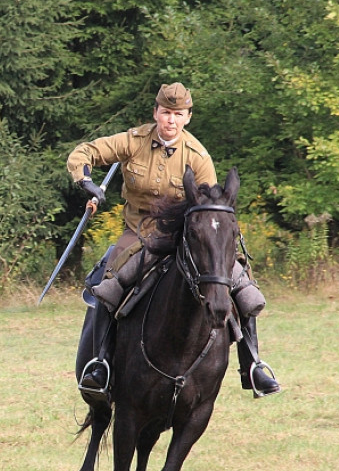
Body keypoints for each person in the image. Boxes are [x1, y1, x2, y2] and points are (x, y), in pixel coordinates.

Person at [65, 82, 281, 398]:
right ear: (156, 113)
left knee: (241, 285)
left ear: (187, 117)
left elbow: (209, 206)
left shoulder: (198, 156)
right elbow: (84, 152)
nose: (171, 120)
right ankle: (101, 363)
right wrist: (87, 182)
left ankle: (253, 364)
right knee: (109, 283)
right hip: (138, 235)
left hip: (184, 238)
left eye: (178, 114)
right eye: (166, 113)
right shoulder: (132, 141)